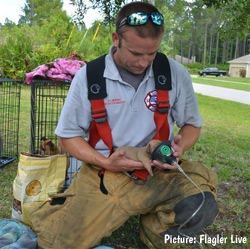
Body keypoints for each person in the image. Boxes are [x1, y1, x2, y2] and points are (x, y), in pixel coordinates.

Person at [30, 2, 219, 249]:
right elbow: (68, 138)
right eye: (136, 53)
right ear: (116, 39)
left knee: (201, 204)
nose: (143, 62)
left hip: (158, 172)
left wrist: (182, 144)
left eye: (151, 53)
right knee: (56, 244)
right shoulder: (89, 77)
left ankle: (153, 232)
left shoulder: (174, 73)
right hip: (104, 175)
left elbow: (192, 125)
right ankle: (63, 212)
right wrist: (107, 163)